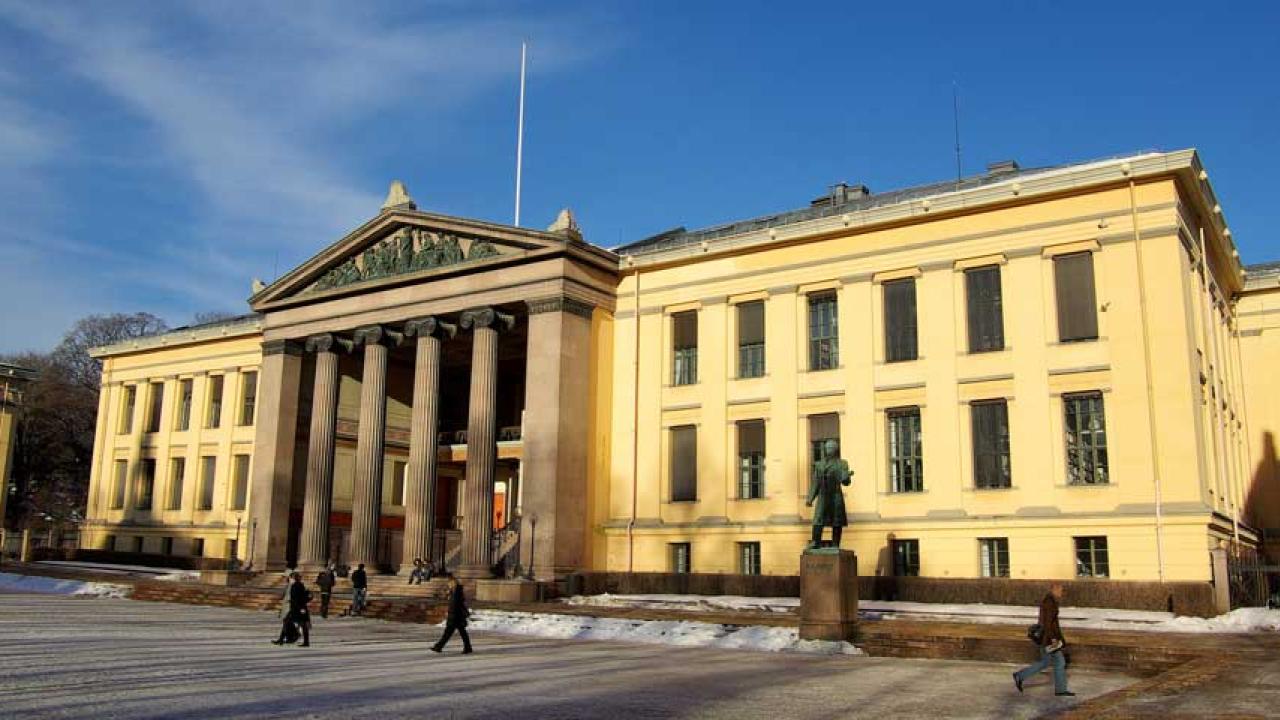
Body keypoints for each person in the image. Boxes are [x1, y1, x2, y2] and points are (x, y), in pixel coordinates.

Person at [1014, 582, 1073, 697]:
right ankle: (1060, 690)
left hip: (1047, 638)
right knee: (1060, 662)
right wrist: (1054, 639)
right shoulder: (1050, 603)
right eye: (1060, 590)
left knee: (1046, 662)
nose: (1061, 592)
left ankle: (1020, 676)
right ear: (1053, 590)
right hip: (1049, 639)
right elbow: (1048, 623)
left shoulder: (1049, 601)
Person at [431, 574, 473, 654]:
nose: (448, 585)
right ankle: (467, 647)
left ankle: (439, 646)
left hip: (455, 616)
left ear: (452, 582)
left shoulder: (456, 592)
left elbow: (455, 605)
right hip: (456, 615)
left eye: (449, 583)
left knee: (449, 632)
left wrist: (451, 615)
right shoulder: (455, 591)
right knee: (460, 632)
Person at [272, 572, 311, 648]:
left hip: (298, 608)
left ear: (293, 578)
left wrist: (301, 607)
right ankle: (281, 639)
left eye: (290, 578)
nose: (289, 579)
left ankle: (305, 642)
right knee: (288, 622)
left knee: (302, 624)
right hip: (296, 608)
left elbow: (301, 598)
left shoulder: (297, 586)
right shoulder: (296, 585)